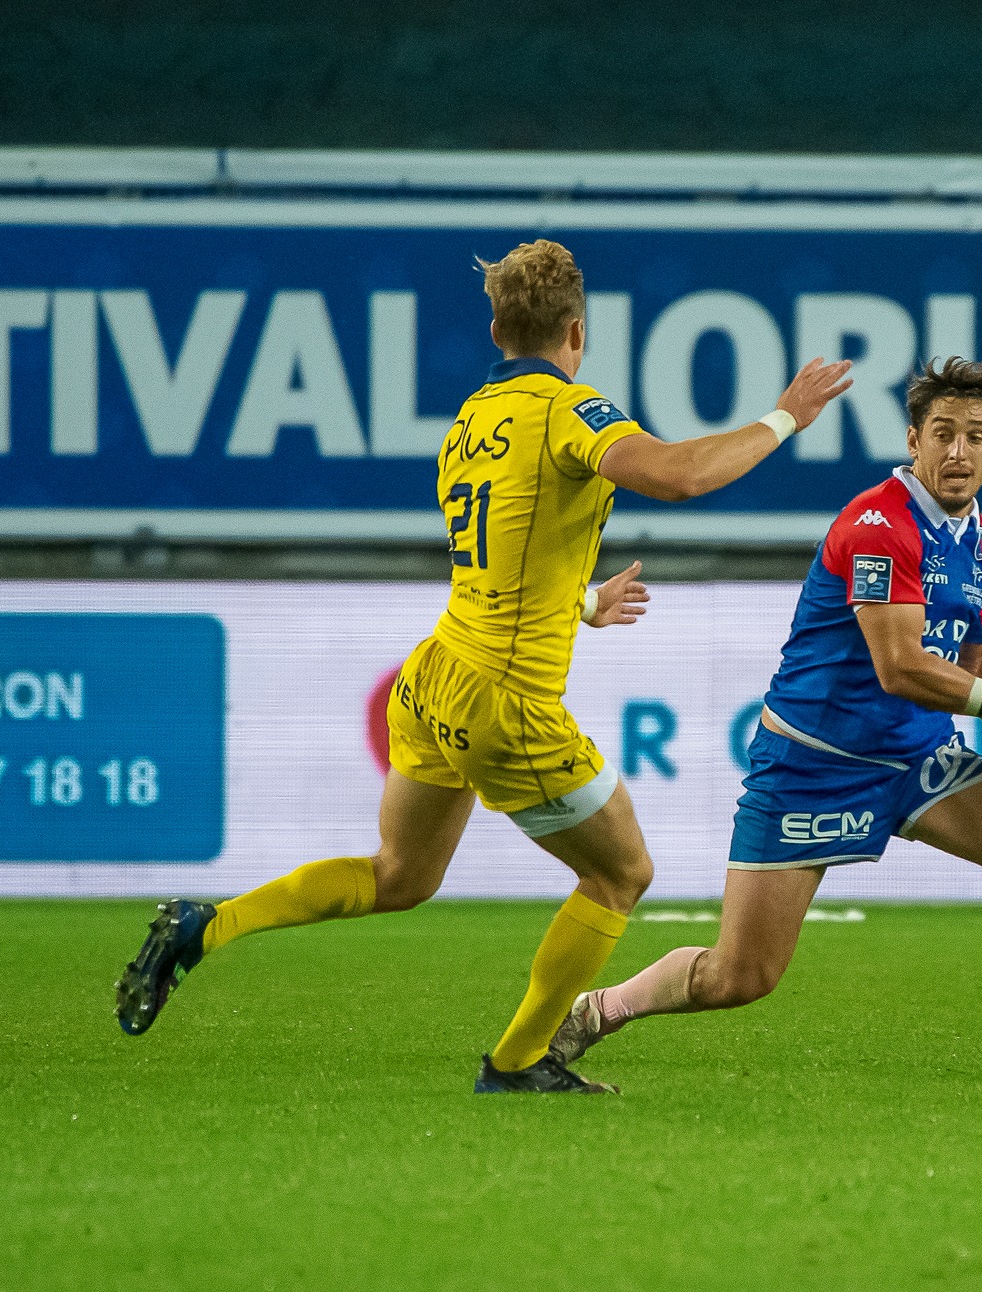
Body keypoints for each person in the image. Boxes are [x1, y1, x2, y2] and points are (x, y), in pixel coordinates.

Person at [114, 239, 854, 1094]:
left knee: (400, 874)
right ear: (576, 332)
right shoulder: (570, 409)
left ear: (498, 328)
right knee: (621, 872)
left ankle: (210, 924)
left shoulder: (469, 424)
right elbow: (680, 474)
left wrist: (579, 604)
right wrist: (786, 415)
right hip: (505, 697)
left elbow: (502, 557)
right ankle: (516, 1061)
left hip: (433, 675)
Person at [549, 357, 982, 1077]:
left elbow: (969, 660)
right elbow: (900, 665)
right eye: (943, 433)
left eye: (976, 436)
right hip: (813, 763)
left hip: (917, 759)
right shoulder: (877, 523)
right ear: (914, 441)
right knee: (740, 975)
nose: (959, 451)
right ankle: (598, 1009)